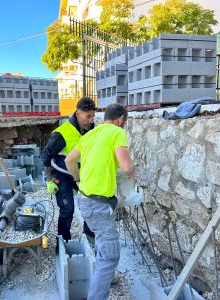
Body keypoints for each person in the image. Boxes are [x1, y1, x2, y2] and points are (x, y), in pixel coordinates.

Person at [65, 103, 135, 300]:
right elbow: (127, 167)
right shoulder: (116, 132)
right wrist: (132, 177)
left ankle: (105, 277)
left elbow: (69, 160)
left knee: (101, 242)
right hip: (98, 204)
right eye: (124, 122)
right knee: (111, 253)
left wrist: (78, 179)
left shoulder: (89, 135)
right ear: (121, 119)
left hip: (85, 199)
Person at [41, 97, 96, 245]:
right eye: (88, 116)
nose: (91, 120)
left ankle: (89, 237)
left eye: (93, 116)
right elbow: (45, 155)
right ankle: (64, 242)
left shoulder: (90, 129)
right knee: (67, 209)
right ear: (78, 113)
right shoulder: (61, 133)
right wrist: (48, 180)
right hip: (61, 173)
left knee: (90, 203)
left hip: (79, 173)